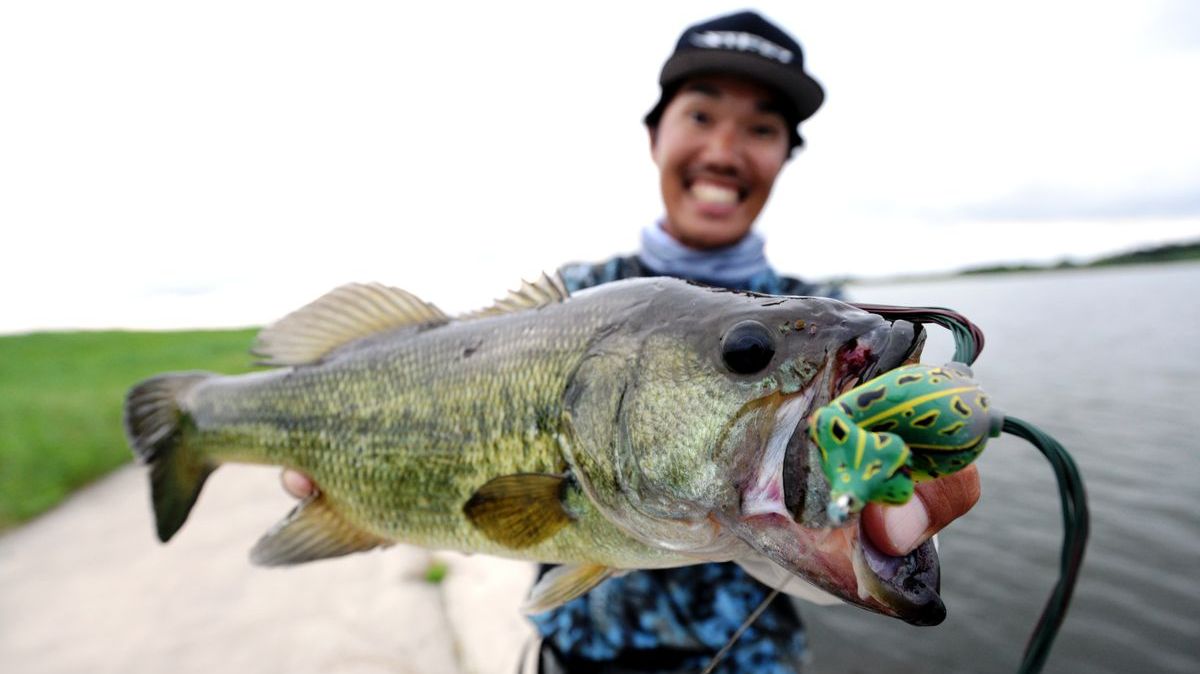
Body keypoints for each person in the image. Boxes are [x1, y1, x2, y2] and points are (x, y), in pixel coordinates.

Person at [283, 10, 980, 673]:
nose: (724, 150)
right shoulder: (573, 294)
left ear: (785, 156)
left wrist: (876, 518)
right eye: (701, 115)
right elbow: (491, 495)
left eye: (762, 129)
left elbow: (875, 501)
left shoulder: (829, 321)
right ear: (654, 134)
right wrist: (361, 483)